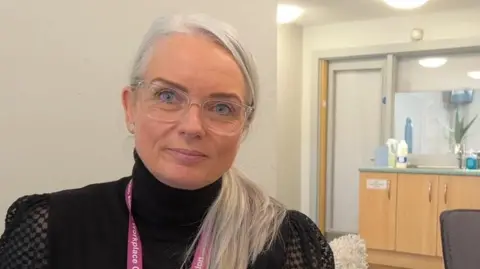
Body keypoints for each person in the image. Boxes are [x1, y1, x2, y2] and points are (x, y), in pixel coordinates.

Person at [0, 14, 334, 269]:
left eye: (221, 107)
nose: (192, 126)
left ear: (244, 125)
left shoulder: (285, 242)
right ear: (131, 107)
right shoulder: (49, 229)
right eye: (167, 95)